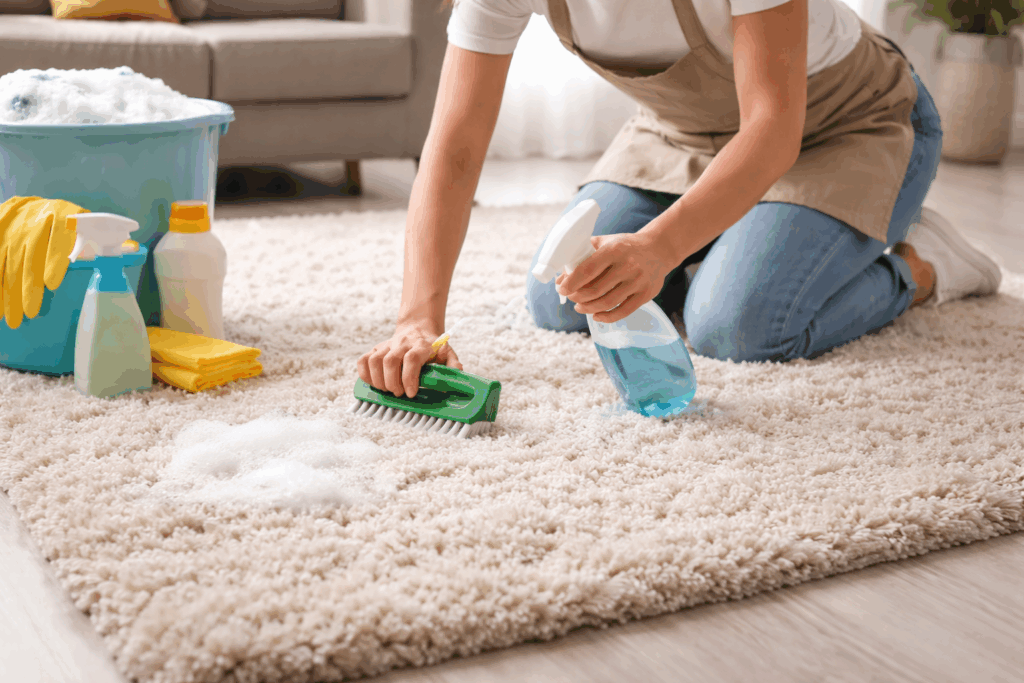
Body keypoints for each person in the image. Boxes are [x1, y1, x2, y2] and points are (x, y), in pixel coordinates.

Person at [357, 0, 1002, 399]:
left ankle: (922, 265)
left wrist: (659, 245)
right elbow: (455, 149)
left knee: (739, 325)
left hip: (845, 125)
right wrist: (419, 318)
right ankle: (746, 236)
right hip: (686, 137)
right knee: (563, 298)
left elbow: (772, 128)